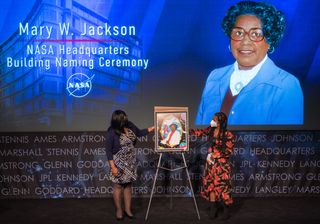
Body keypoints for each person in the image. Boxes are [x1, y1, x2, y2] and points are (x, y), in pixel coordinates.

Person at [196, 1, 303, 125]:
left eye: (256, 34)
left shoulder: (286, 86)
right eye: (239, 33)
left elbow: (284, 142)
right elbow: (199, 135)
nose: (245, 42)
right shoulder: (214, 77)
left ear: (270, 41)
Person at [106, 110, 154, 220]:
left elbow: (140, 133)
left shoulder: (130, 125)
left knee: (128, 186)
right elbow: (108, 151)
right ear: (118, 120)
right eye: (123, 117)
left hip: (131, 161)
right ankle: (119, 210)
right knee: (118, 186)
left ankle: (128, 210)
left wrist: (152, 128)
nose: (126, 117)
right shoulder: (111, 131)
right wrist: (113, 167)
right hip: (118, 162)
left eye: (125, 116)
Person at [191, 112, 234, 220]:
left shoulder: (228, 134)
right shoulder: (210, 129)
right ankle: (213, 208)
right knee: (210, 186)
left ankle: (226, 210)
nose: (212, 121)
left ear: (220, 122)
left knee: (223, 187)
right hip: (210, 164)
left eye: (214, 120)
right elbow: (199, 132)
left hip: (221, 165)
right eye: (212, 119)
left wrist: (214, 155)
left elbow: (228, 151)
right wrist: (186, 131)